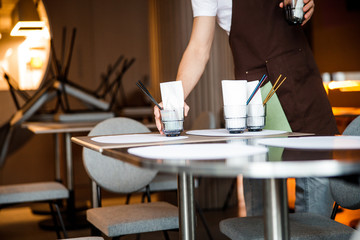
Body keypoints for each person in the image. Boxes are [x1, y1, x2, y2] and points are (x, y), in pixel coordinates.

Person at [154, 0, 339, 217]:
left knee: (316, 196)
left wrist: (307, 3)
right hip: (257, 96)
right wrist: (175, 97)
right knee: (260, 214)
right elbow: (198, 49)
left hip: (303, 82)